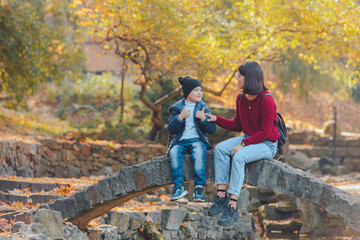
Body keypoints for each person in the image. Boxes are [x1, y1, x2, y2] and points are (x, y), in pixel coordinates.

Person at [205, 61, 280, 226]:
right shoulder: (240, 98)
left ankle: (232, 206)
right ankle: (221, 195)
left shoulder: (267, 100)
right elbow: (237, 125)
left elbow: (265, 132)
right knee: (220, 149)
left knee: (238, 157)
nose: (237, 78)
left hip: (267, 144)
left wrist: (244, 144)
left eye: (240, 76)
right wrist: (216, 119)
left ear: (250, 78)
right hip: (249, 138)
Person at [167, 76, 216, 202]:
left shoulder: (203, 107)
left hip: (197, 140)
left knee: (199, 154)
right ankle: (179, 188)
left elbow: (212, 129)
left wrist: (203, 118)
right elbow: (171, 128)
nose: (200, 93)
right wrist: (180, 117)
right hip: (180, 141)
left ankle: (198, 188)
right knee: (173, 153)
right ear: (188, 92)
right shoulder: (177, 108)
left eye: (201, 90)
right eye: (196, 90)